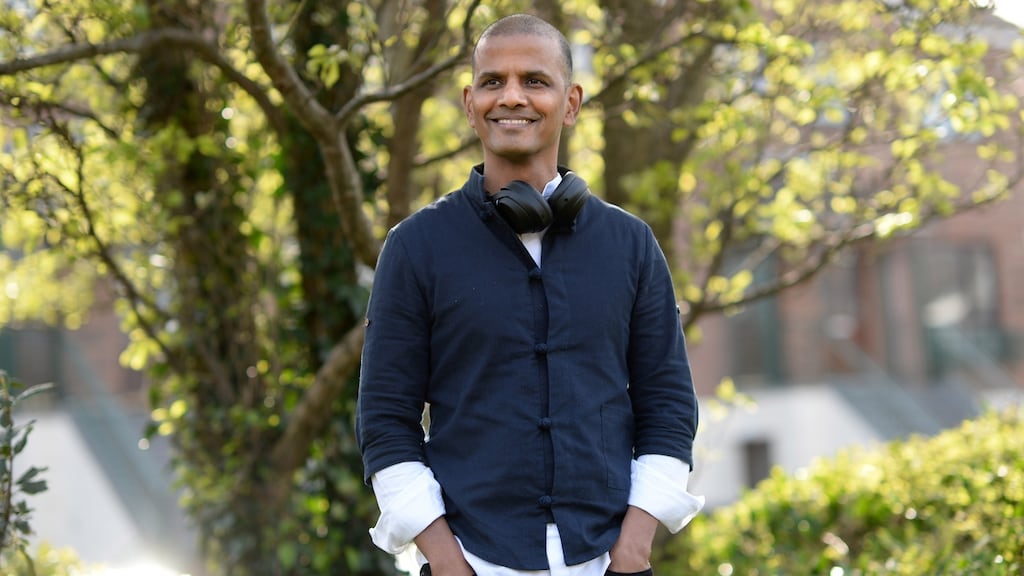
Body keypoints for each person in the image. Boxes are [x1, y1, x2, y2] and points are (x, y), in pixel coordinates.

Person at [356, 13, 703, 576]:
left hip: (608, 562)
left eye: (534, 81)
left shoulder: (632, 245)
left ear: (570, 103)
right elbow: (385, 422)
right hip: (467, 561)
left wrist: (633, 548)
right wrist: (445, 561)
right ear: (470, 104)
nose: (511, 96)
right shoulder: (414, 247)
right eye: (493, 82)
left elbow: (668, 408)